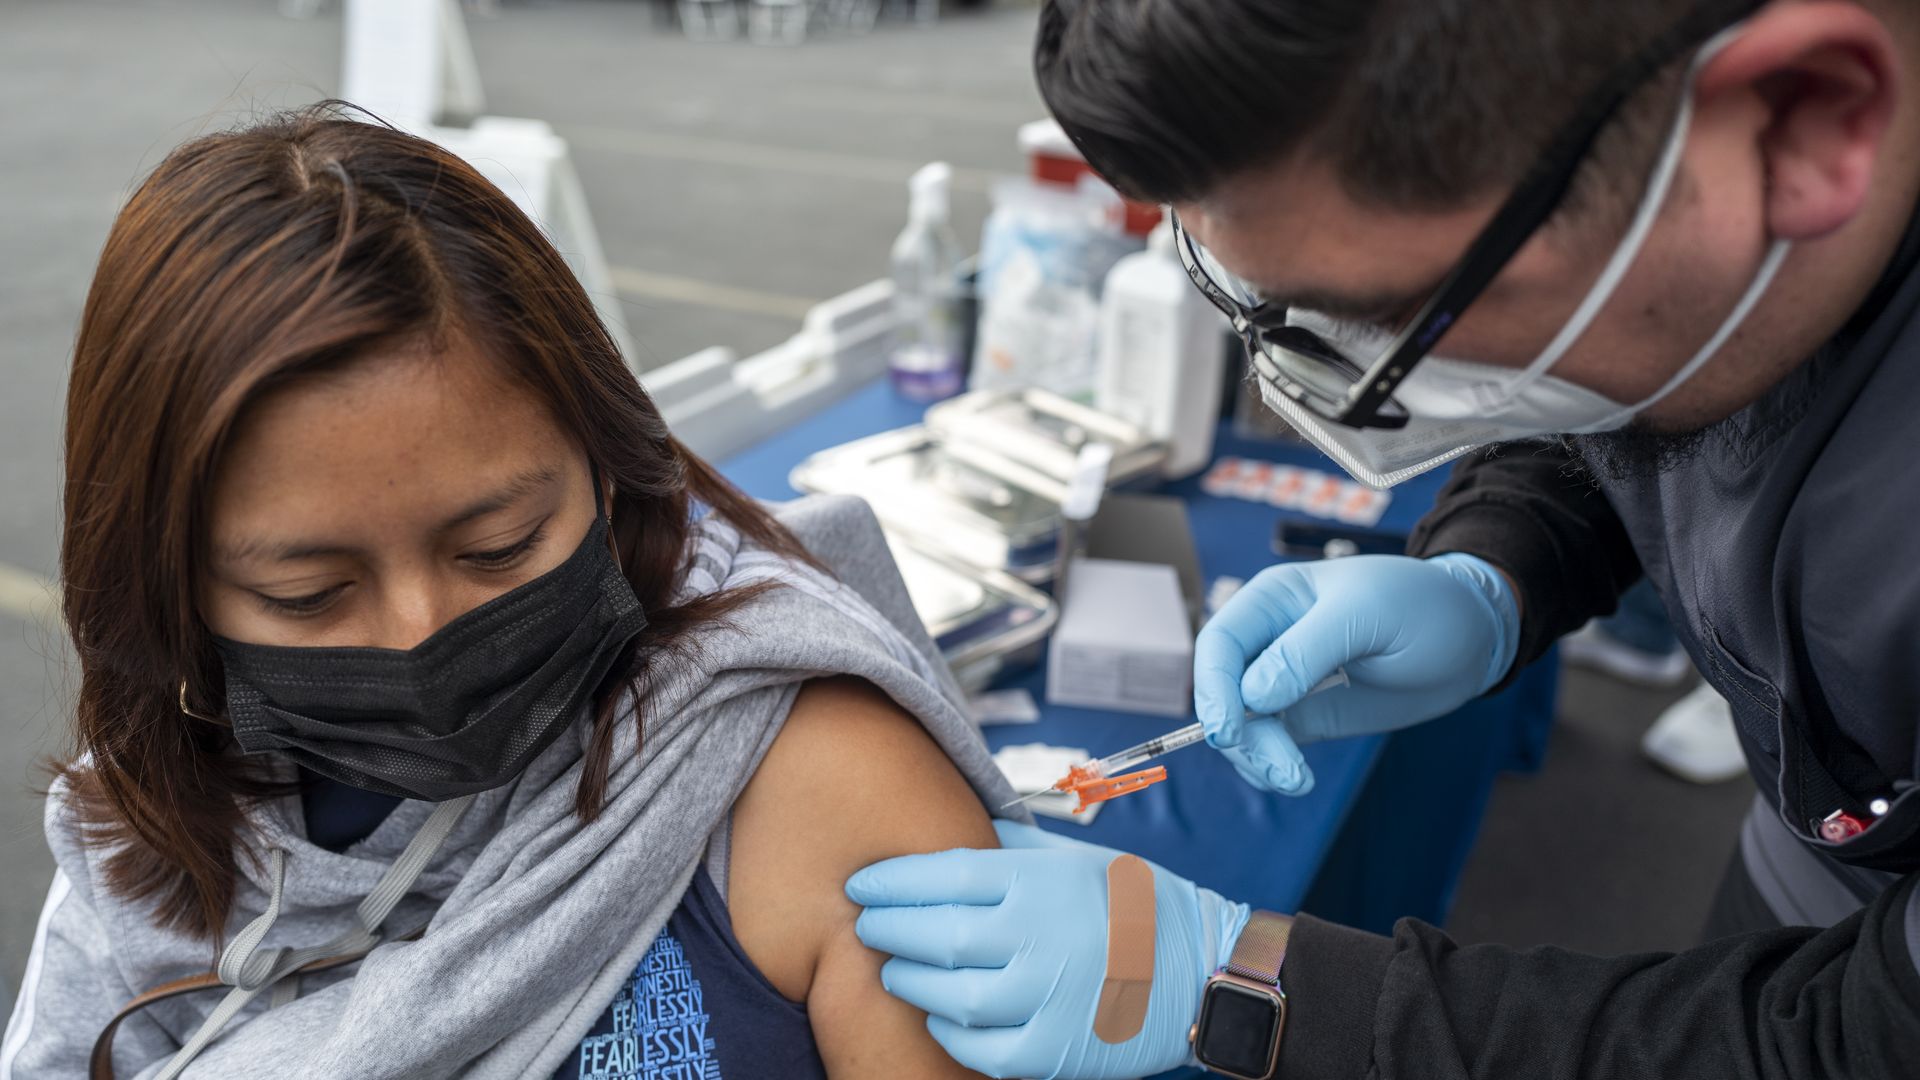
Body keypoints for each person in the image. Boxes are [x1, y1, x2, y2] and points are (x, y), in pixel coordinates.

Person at [848, 1, 1920, 1077]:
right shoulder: (1694, 254)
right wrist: (1494, 567)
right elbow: (1628, 377)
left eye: (1396, 320)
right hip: (1809, 847)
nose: (1340, 378)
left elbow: (1853, 1041)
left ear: (1802, 121)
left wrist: (1251, 987)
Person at [0, 106, 1014, 1079]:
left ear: (609, 470)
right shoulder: (147, 826)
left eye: (498, 546)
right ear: (170, 591)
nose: (421, 635)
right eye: (307, 593)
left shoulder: (816, 774)